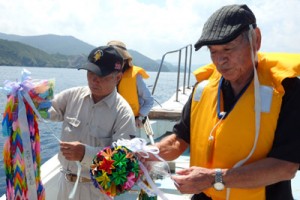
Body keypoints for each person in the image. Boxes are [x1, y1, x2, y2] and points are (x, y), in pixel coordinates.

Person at [147, 4, 300, 200]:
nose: (220, 61)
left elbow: (286, 167)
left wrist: (213, 178)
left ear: (256, 40)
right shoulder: (202, 88)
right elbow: (179, 139)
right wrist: (145, 153)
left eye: (228, 48)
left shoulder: (286, 90)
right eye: (213, 51)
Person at [48, 46, 136, 200]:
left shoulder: (123, 112)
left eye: (102, 75)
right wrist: (31, 100)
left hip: (97, 192)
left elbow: (122, 163)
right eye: (90, 73)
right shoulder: (71, 96)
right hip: (65, 185)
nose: (94, 79)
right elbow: (49, 111)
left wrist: (85, 154)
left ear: (118, 77)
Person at [107, 40, 154, 129]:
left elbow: (149, 101)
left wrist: (140, 118)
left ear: (125, 60)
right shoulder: (103, 75)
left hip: (131, 120)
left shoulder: (135, 76)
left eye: (117, 58)